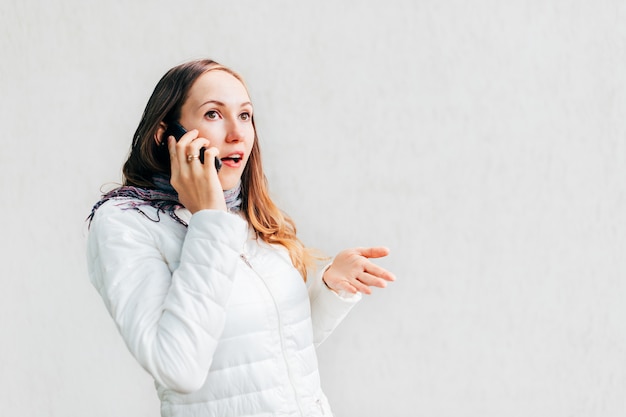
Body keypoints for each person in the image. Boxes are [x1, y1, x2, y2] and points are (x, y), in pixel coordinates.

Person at [86, 58, 395, 417]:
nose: (237, 133)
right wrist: (209, 219)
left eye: (245, 115)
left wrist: (330, 288)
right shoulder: (126, 223)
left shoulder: (248, 214)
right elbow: (178, 367)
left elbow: (267, 349)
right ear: (164, 133)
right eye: (213, 114)